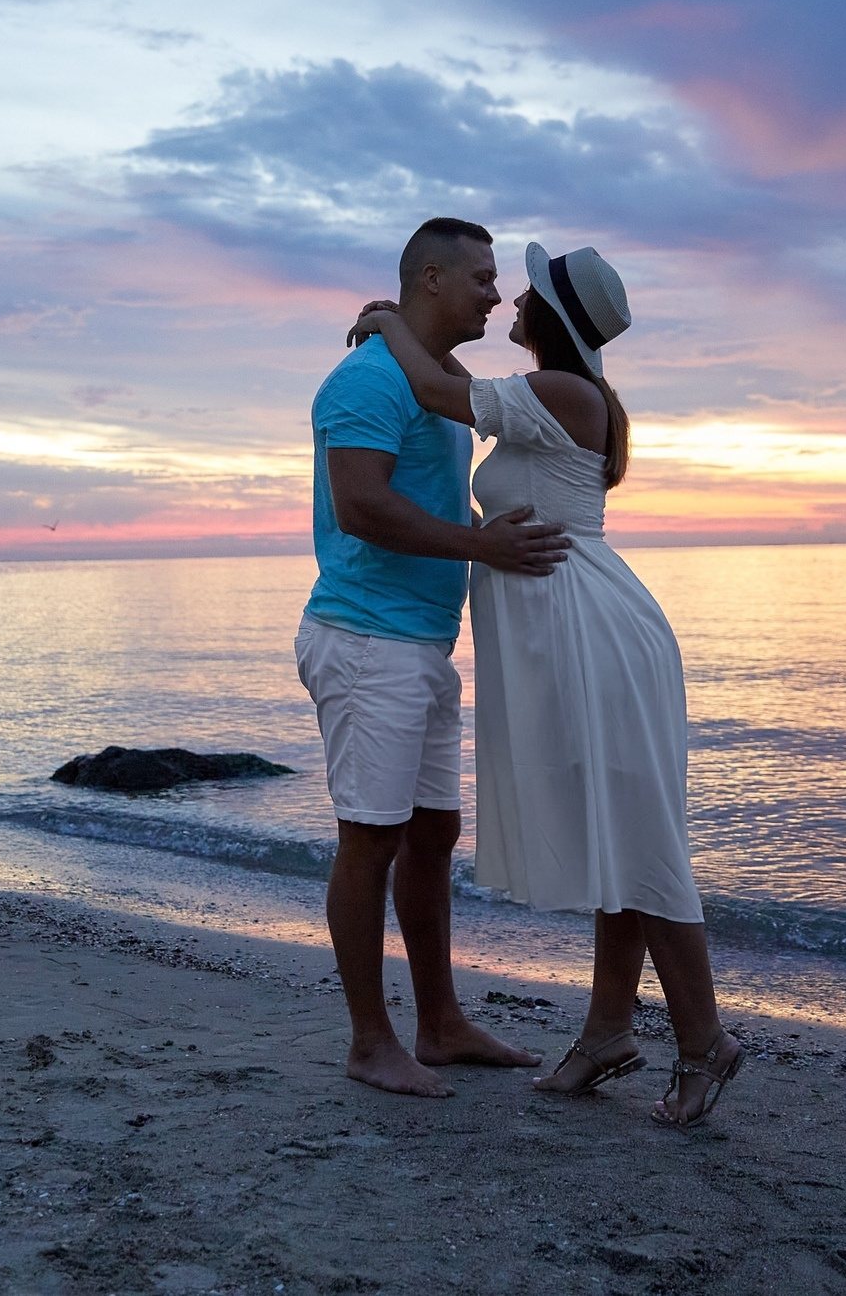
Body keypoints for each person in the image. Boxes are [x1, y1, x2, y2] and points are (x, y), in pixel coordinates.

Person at [348, 242, 743, 1128]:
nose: (511, 304)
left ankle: (704, 1040)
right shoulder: (553, 396)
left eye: (525, 294)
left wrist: (383, 323)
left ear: (556, 317)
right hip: (567, 630)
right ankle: (607, 1032)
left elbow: (441, 394)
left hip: (594, 632)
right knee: (616, 835)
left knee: (642, 840)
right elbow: (450, 384)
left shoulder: (566, 393)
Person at [297, 217, 569, 1098]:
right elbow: (361, 508)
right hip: (365, 638)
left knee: (431, 833)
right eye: (482, 278)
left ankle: (441, 1023)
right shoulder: (367, 381)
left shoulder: (431, 375)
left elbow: (451, 386)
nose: (495, 293)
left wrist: (389, 321)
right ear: (431, 279)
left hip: (416, 641)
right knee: (369, 839)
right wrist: (481, 546)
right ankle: (370, 1042)